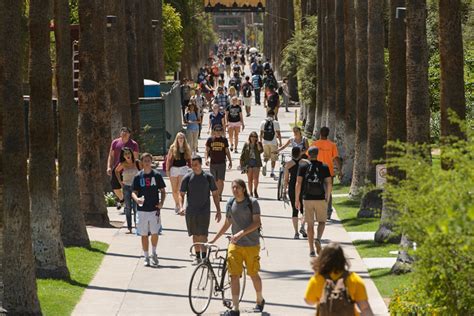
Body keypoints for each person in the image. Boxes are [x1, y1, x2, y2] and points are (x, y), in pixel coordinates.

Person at [209, 179, 265, 316]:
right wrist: (213, 239)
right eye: (233, 188)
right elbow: (227, 223)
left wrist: (241, 233)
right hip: (235, 245)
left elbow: (257, 223)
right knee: (234, 275)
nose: (235, 190)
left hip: (251, 245)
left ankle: (259, 299)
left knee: (253, 274)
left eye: (238, 188)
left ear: (244, 189)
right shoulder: (230, 203)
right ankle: (235, 308)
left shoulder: (252, 203)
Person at [305, 243, 374, 316]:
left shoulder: (317, 279)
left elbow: (309, 301)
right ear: (343, 259)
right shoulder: (354, 279)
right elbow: (365, 308)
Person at [179, 155, 222, 265]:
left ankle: (204, 257)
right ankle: (197, 256)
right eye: (192, 165)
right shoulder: (187, 178)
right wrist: (181, 206)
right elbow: (181, 194)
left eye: (196, 165)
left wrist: (218, 210)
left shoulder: (208, 177)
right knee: (195, 234)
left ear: (201, 164)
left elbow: (215, 194)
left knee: (203, 234)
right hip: (191, 211)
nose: (194, 167)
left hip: (204, 210)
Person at [295, 147, 332, 257]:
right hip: (320, 198)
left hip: (307, 198)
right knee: (322, 221)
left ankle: (311, 249)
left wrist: (297, 199)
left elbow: (298, 183)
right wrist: (327, 196)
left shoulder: (303, 166)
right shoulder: (324, 166)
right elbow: (329, 183)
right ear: (318, 154)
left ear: (308, 154)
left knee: (310, 224)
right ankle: (318, 239)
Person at [132, 153, 166, 267]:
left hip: (154, 209)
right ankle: (146, 256)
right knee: (144, 234)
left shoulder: (157, 175)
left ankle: (154, 253)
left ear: (151, 161)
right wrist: (137, 199)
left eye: (148, 160)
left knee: (155, 232)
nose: (147, 162)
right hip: (142, 210)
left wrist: (161, 203)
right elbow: (133, 192)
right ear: (141, 162)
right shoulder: (138, 176)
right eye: (145, 160)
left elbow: (162, 190)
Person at [309, 127, 343, 220]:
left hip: (317, 171)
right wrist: (340, 171)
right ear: (328, 134)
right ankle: (328, 213)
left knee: (316, 191)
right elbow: (336, 158)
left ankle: (318, 211)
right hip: (329, 172)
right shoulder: (332, 145)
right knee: (328, 192)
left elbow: (309, 157)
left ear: (320, 133)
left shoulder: (315, 144)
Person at [107, 127, 139, 210]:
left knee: (129, 187)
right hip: (117, 168)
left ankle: (130, 202)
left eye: (126, 132)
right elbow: (111, 155)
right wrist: (109, 167)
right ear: (120, 133)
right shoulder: (115, 142)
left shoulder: (133, 144)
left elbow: (135, 158)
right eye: (122, 132)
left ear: (129, 134)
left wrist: (135, 169)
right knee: (115, 187)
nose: (124, 133)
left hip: (128, 169)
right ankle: (123, 199)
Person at [115, 147, 141, 234]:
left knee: (136, 207)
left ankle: (137, 226)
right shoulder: (122, 164)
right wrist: (120, 182)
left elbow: (142, 172)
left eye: (128, 153)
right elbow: (116, 171)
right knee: (128, 207)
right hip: (126, 187)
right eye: (125, 154)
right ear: (123, 156)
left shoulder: (137, 162)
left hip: (136, 188)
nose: (127, 155)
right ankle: (129, 228)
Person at [283, 147, 307, 239]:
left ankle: (296, 232)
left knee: (294, 209)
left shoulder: (288, 164)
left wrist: (284, 190)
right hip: (303, 187)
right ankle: (302, 227)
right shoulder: (305, 163)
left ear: (292, 154)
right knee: (304, 210)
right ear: (300, 153)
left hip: (292, 188)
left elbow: (286, 179)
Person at [166, 133, 192, 214]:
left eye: (182, 138)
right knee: (174, 189)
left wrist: (191, 168)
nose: (180, 139)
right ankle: (177, 204)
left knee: (181, 189)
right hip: (174, 169)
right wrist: (167, 170)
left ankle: (181, 206)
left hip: (183, 169)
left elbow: (189, 159)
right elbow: (169, 160)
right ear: (176, 139)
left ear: (184, 139)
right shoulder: (173, 147)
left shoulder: (186, 148)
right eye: (179, 138)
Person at [205, 125, 232, 201]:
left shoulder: (224, 140)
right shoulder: (210, 140)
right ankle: (215, 193)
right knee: (214, 180)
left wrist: (230, 160)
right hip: (213, 163)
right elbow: (207, 150)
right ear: (213, 131)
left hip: (222, 163)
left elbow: (227, 151)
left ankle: (219, 195)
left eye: (220, 131)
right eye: (216, 131)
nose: (218, 132)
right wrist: (206, 159)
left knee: (221, 180)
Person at [240, 132, 264, 198]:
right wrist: (241, 164)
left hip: (256, 162)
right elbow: (242, 154)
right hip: (248, 162)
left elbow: (261, 151)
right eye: (252, 136)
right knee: (249, 179)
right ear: (250, 137)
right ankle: (250, 192)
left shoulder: (259, 144)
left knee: (256, 178)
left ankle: (255, 190)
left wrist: (257, 144)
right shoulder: (246, 144)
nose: (253, 138)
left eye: (255, 137)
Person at [259, 110, 281, 178]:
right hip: (273, 142)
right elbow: (278, 134)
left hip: (265, 142)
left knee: (266, 157)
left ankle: (264, 164)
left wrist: (261, 141)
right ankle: (272, 172)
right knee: (273, 158)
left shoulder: (263, 122)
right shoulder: (276, 122)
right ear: (273, 115)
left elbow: (261, 134)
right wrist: (280, 142)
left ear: (267, 114)